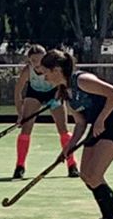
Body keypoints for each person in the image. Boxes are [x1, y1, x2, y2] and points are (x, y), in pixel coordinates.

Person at [48, 49, 113, 219]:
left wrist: (100, 119)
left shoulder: (82, 80)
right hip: (97, 129)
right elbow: (80, 123)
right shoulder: (65, 92)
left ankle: (110, 218)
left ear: (56, 70)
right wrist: (68, 148)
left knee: (94, 174)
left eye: (46, 73)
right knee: (85, 174)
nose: (45, 78)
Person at [10, 45, 79, 180]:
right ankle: (19, 166)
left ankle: (72, 165)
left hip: (54, 93)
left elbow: (63, 83)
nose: (37, 64)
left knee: (63, 130)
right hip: (34, 94)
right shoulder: (27, 71)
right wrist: (20, 114)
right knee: (25, 130)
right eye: (33, 60)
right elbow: (18, 91)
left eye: (40, 60)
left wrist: (59, 95)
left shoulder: (52, 69)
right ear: (29, 61)